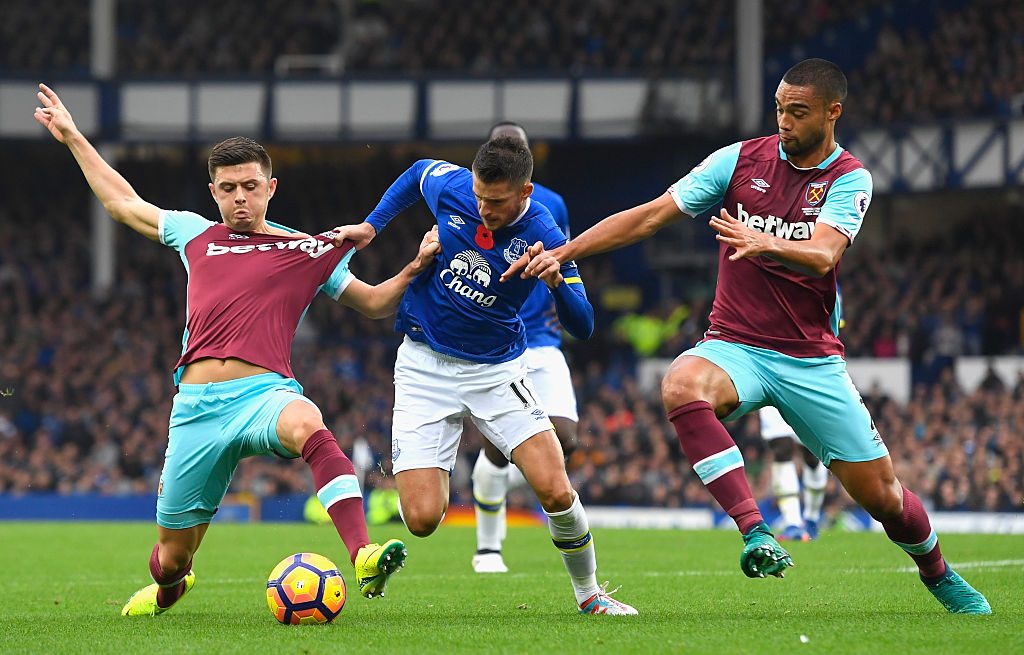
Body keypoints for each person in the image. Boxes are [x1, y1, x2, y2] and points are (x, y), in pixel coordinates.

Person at [503, 59, 990, 614]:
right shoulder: (737, 160)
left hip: (810, 360)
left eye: (798, 111)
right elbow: (651, 216)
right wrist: (566, 251)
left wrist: (765, 241)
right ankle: (757, 531)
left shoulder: (850, 178)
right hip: (734, 344)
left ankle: (939, 573)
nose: (783, 120)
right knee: (681, 383)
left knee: (884, 497)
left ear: (834, 112)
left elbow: (825, 253)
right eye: (779, 107)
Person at [33, 83, 433, 616]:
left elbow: (376, 303)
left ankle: (362, 555)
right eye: (227, 188)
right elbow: (123, 203)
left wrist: (413, 267)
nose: (239, 197)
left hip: (263, 394)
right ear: (213, 191)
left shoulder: (308, 248)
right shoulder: (195, 234)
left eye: (249, 186)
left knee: (308, 422)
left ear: (271, 186)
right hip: (195, 410)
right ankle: (173, 585)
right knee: (171, 558)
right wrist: (74, 138)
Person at [331, 137, 637, 615]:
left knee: (555, 487)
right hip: (422, 364)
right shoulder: (453, 186)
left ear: (525, 192)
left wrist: (556, 281)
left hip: (495, 371)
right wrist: (372, 227)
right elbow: (415, 172)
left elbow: (584, 324)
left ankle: (591, 595)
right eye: (478, 197)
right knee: (422, 519)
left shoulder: (545, 232)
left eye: (495, 202)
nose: (483, 208)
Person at [468, 122, 580, 574]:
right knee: (499, 445)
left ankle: (490, 480)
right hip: (494, 336)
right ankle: (488, 548)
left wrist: (562, 292)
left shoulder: (551, 205)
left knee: (566, 438)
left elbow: (564, 258)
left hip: (542, 336)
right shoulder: (471, 197)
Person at [759, 406, 828, 540]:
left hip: (804, 391)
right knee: (780, 449)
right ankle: (792, 524)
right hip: (772, 389)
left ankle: (811, 519)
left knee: (812, 454)